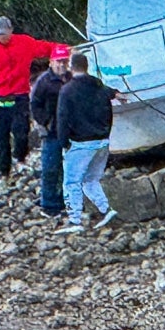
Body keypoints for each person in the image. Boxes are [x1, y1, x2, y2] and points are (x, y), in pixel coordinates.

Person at [0, 16, 64, 180]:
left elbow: (45, 48)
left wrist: (64, 50)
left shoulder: (24, 42)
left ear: (11, 30)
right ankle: (3, 170)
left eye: (5, 33)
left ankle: (20, 157)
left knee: (22, 131)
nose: (2, 37)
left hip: (19, 95)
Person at [54, 51, 121, 235]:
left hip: (80, 143)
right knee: (91, 180)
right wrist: (116, 93)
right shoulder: (98, 84)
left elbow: (62, 118)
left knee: (71, 182)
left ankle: (74, 219)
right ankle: (106, 210)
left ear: (70, 67)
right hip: (102, 140)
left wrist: (63, 142)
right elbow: (109, 93)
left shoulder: (67, 90)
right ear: (87, 66)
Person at [29, 44, 73, 218]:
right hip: (52, 131)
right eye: (58, 61)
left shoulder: (71, 78)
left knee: (70, 167)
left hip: (70, 130)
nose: (61, 65)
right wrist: (46, 122)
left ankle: (66, 200)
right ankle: (49, 204)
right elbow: (34, 105)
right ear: (51, 62)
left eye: (64, 61)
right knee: (50, 167)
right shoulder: (44, 81)